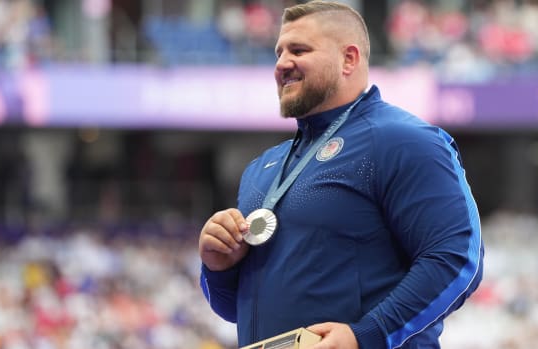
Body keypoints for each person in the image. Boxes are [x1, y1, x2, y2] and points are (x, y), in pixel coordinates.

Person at [198, 1, 484, 348]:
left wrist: (365, 335)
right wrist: (219, 268)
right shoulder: (263, 169)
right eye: (279, 52)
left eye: (299, 50)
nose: (281, 64)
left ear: (349, 59)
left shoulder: (402, 140)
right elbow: (236, 311)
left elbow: (456, 259)